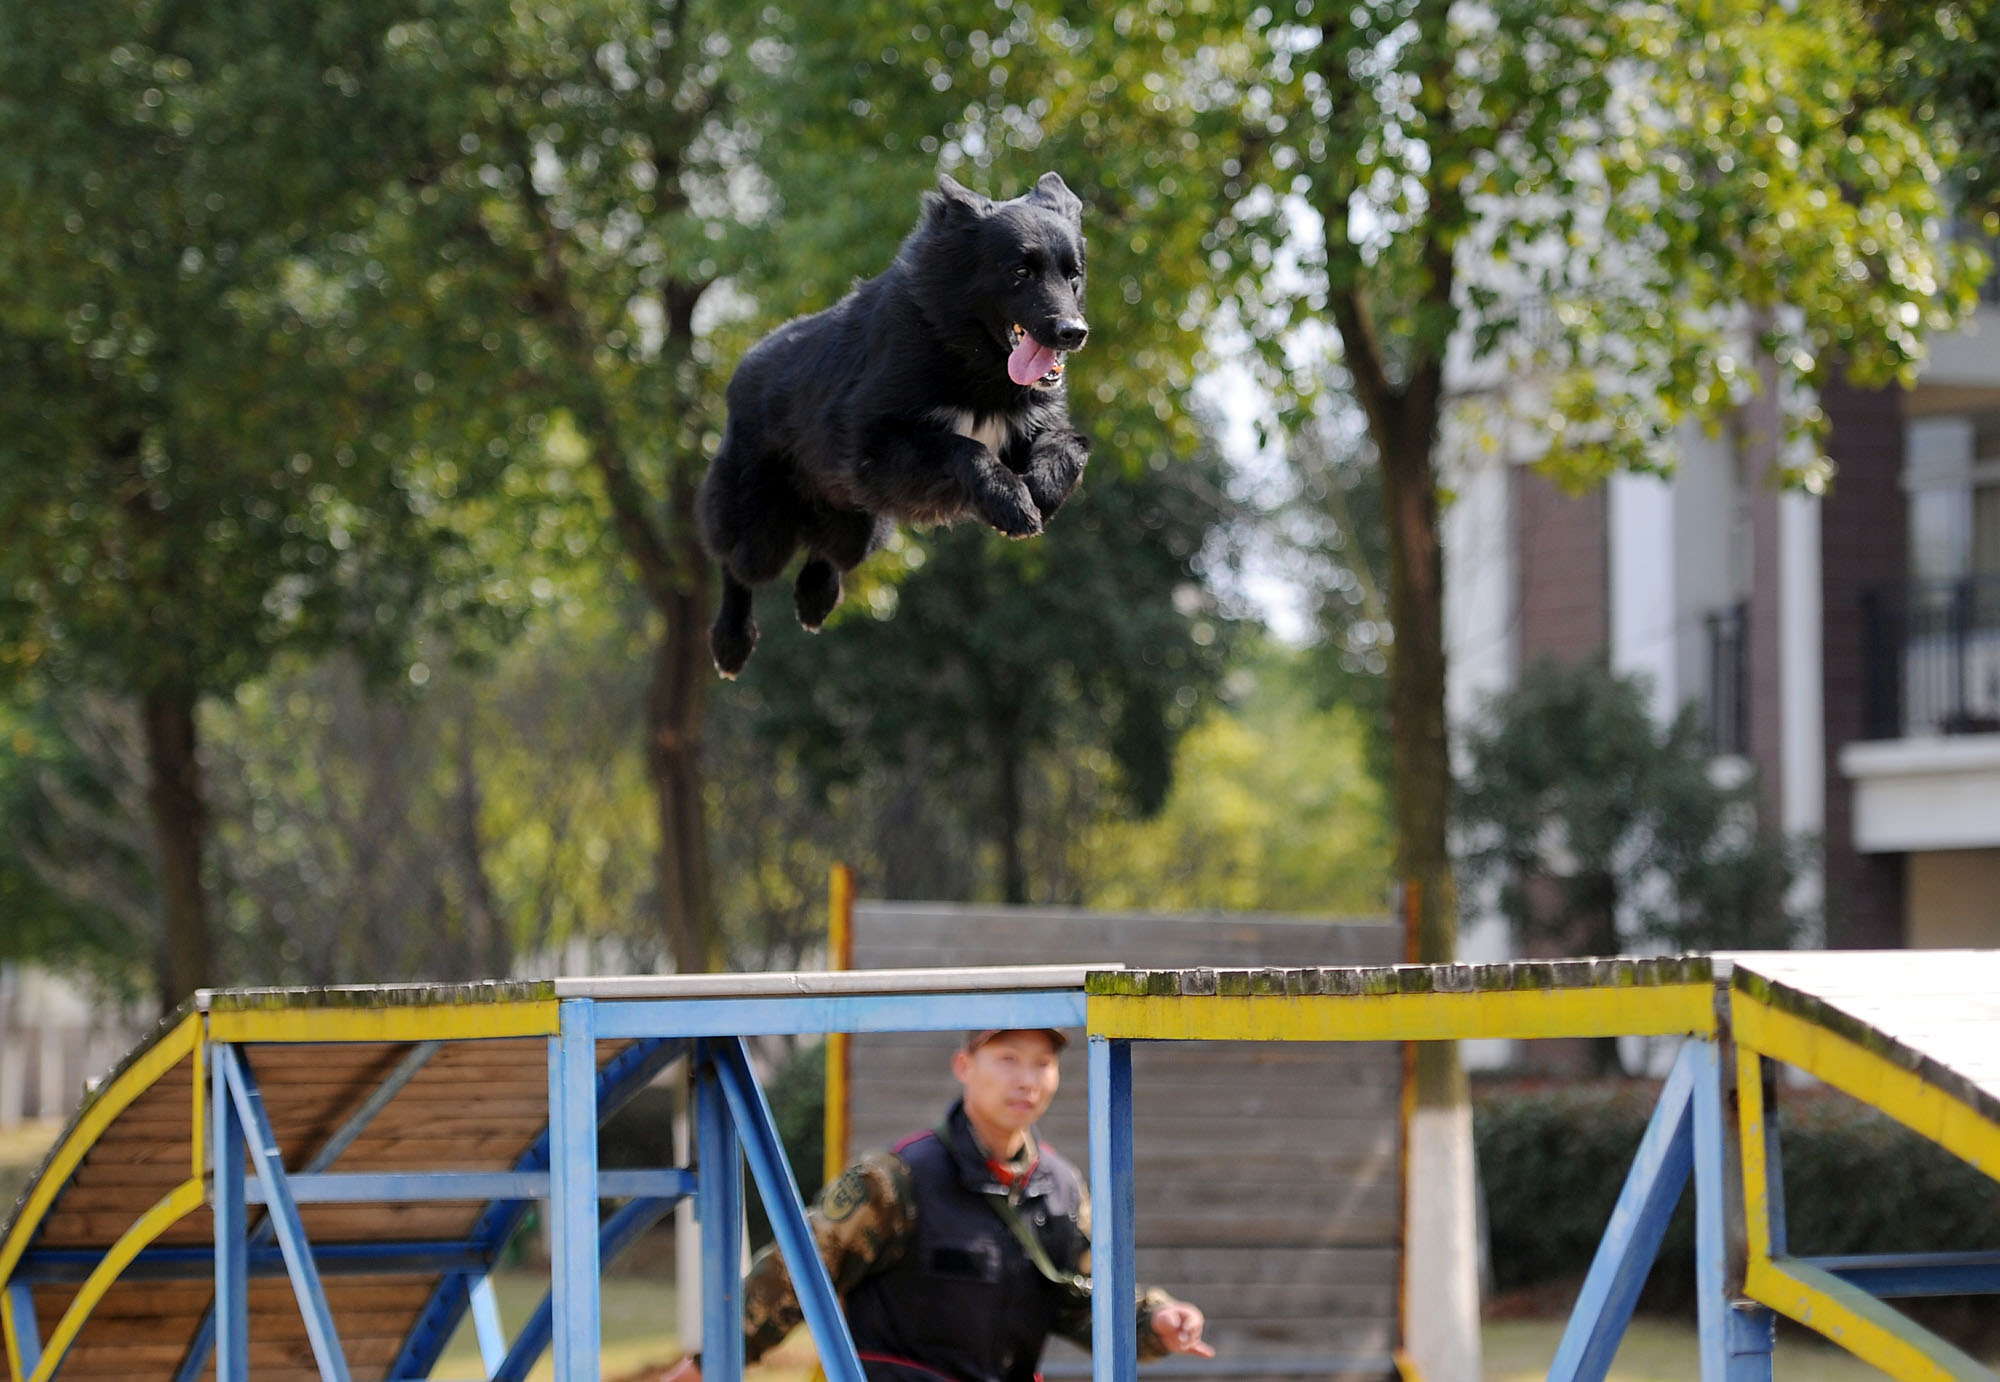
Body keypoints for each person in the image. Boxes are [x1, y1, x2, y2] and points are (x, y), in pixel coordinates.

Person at [667, 1027, 1212, 1382]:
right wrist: (707, 1364)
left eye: (1043, 1063)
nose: (1026, 1080)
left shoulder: (1064, 1188)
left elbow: (1082, 1301)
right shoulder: (892, 1181)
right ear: (963, 1065)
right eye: (1007, 1059)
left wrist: (1154, 1319)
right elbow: (791, 1277)